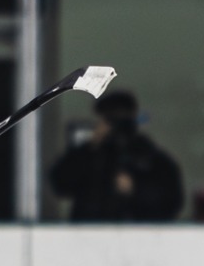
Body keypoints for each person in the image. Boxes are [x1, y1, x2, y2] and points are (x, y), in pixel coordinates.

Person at [48, 88, 184, 221]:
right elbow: (60, 183)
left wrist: (136, 188)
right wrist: (91, 147)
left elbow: (171, 201)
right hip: (90, 231)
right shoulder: (91, 154)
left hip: (137, 231)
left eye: (120, 117)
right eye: (108, 119)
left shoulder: (148, 155)